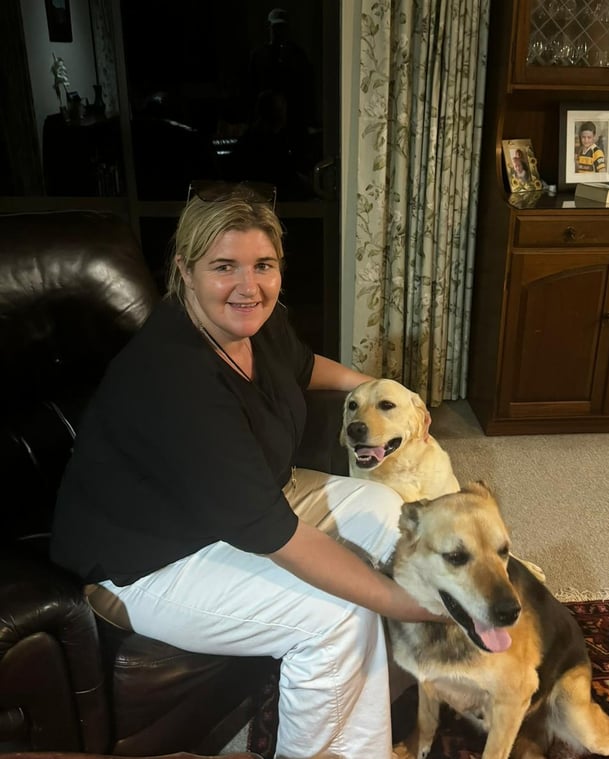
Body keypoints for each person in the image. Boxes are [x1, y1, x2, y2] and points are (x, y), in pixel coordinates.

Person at [49, 182, 443, 759]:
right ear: (185, 270)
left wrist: (379, 390)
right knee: (335, 615)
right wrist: (409, 604)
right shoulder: (175, 378)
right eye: (224, 266)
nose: (248, 286)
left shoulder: (256, 320)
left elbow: (304, 365)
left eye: (264, 265)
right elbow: (277, 537)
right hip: (150, 560)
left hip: (239, 501)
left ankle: (374, 719)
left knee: (390, 511)